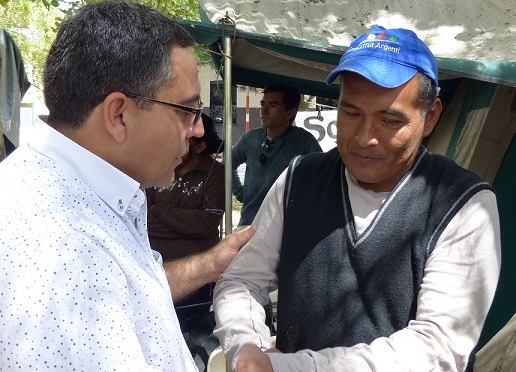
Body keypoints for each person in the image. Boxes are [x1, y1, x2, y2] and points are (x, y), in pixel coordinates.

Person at [0, 0, 255, 371]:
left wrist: (213, 262)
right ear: (118, 114)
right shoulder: (53, 253)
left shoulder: (76, 199)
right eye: (187, 110)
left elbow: (131, 294)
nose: (198, 129)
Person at [213, 25, 501, 372]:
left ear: (431, 117)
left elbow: (437, 348)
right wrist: (247, 348)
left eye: (390, 120)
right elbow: (243, 279)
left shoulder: (463, 205)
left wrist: (288, 367)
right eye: (350, 114)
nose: (365, 137)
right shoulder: (299, 178)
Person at [146, 112, 225, 319]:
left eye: (185, 140)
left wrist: (160, 211)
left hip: (197, 277)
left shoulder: (215, 174)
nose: (176, 144)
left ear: (200, 147)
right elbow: (142, 218)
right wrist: (183, 225)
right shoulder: (161, 166)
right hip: (156, 270)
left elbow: (206, 223)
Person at [231, 82, 321, 227]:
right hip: (250, 224)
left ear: (289, 113)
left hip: (287, 228)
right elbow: (227, 164)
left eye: (272, 105)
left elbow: (322, 176)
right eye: (262, 104)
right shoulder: (250, 139)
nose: (263, 110)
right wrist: (240, 192)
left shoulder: (304, 141)